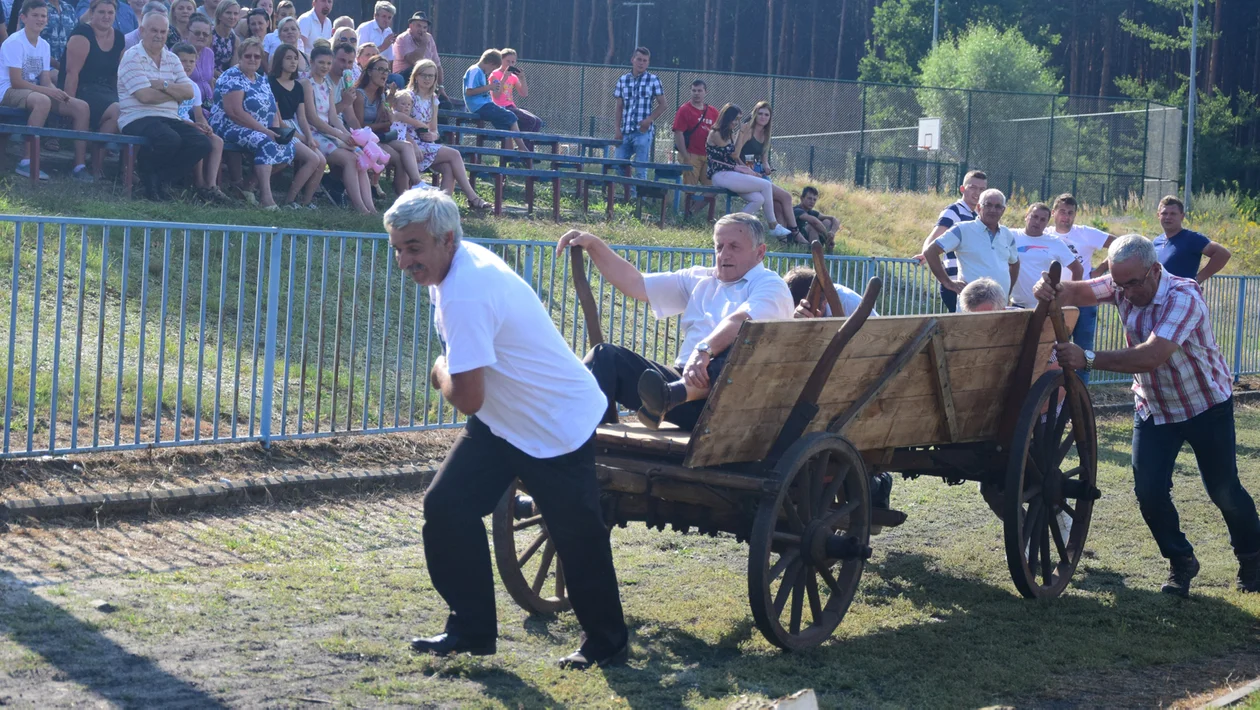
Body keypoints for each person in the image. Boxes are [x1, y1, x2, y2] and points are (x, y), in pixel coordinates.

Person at [390, 189, 630, 670]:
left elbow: (467, 396)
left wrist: (438, 371)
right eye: (397, 248)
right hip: (504, 422)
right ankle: (471, 628)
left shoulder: (466, 290)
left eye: (413, 248)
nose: (404, 261)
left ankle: (607, 643)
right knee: (447, 507)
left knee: (576, 533)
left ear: (446, 239)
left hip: (555, 422)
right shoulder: (454, 265)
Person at [1032, 234, 1260, 598]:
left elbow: (1151, 356)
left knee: (1224, 490)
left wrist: (1087, 357)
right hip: (1155, 406)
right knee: (1149, 493)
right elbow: (1077, 292)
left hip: (1205, 405)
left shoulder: (1183, 297)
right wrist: (1050, 287)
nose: (1125, 292)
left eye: (1132, 284)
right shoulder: (1124, 280)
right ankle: (1181, 561)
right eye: (1119, 284)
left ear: (1155, 270)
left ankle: (1252, 556)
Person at [561, 212, 794, 430]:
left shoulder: (769, 284)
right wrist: (593, 244)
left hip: (731, 401)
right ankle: (585, 441)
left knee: (740, 347)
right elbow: (636, 283)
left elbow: (742, 320)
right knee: (605, 356)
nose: (724, 254)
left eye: (734, 247)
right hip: (681, 382)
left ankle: (671, 394)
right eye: (719, 246)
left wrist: (703, 350)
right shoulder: (699, 279)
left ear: (760, 252)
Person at [212, 36, 321, 209]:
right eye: (248, 56)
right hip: (230, 126)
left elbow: (272, 109)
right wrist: (266, 131)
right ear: (240, 57)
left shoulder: (261, 78)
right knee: (268, 142)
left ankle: (247, 187)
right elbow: (235, 113)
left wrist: (277, 130)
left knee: (288, 145)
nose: (253, 59)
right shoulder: (232, 76)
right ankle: (266, 199)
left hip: (260, 128)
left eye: (257, 56)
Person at [116, 10, 209, 199]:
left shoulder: (172, 58)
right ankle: (151, 181)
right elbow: (145, 97)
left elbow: (189, 92)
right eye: (154, 31)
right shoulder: (131, 57)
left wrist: (164, 85)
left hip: (169, 117)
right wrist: (174, 94)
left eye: (163, 31)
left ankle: (158, 179)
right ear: (142, 31)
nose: (159, 36)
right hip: (137, 117)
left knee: (202, 143)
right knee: (170, 139)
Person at [1, 0, 92, 180]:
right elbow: (16, 81)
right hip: (8, 91)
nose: (40, 19)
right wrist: (47, 91)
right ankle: (27, 162)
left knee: (81, 107)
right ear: (23, 18)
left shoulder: (44, 45)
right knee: (43, 101)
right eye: (35, 15)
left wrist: (56, 91)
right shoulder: (14, 42)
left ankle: (78, 166)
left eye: (43, 16)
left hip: (33, 91)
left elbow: (44, 79)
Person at [400, 58, 489, 209]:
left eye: (431, 75)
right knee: (454, 154)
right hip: (408, 143)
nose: (427, 79)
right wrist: (413, 144)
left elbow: (433, 128)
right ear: (416, 76)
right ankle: (472, 197)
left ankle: (442, 206)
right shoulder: (408, 96)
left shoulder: (434, 98)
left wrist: (433, 135)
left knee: (448, 167)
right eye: (424, 75)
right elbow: (400, 126)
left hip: (426, 144)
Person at [1049, 193, 1117, 387]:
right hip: (1055, 300)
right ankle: (1054, 399)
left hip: (1084, 301)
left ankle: (1079, 402)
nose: (1066, 216)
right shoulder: (1046, 235)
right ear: (1054, 213)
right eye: (1062, 211)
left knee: (1083, 352)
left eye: (1071, 212)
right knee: (1053, 352)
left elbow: (1120, 244)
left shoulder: (1086, 233)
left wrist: (1101, 268)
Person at [302, 42, 373, 213]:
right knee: (350, 160)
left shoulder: (327, 86)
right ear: (311, 62)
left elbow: (334, 117)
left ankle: (370, 207)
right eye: (321, 63)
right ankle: (360, 207)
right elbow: (312, 118)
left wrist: (348, 135)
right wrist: (339, 135)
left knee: (360, 155)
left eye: (327, 63)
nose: (325, 66)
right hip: (312, 132)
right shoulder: (306, 83)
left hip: (329, 131)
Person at [704, 104, 793, 240]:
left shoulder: (730, 134)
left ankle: (731, 227)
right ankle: (773, 225)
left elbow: (736, 154)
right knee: (766, 185)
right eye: (734, 119)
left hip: (732, 175)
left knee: (758, 199)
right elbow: (733, 154)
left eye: (739, 120)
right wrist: (742, 134)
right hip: (720, 175)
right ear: (727, 117)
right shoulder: (715, 133)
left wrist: (740, 136)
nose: (736, 123)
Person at [922, 188, 1019, 303]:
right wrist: (948, 283)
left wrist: (1008, 290)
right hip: (972, 305)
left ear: (1003, 210)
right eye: (988, 205)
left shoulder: (1007, 233)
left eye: (998, 206)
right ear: (979, 207)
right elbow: (930, 251)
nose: (993, 210)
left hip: (999, 304)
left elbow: (1015, 263)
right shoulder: (962, 229)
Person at [59, 0, 121, 178]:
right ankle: (79, 166)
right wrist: (68, 104)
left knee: (121, 110)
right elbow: (72, 74)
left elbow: (117, 74)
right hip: (81, 88)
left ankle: (96, 165)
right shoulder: (82, 34)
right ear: (92, 13)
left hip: (105, 90)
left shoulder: (119, 37)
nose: (106, 16)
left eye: (110, 12)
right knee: (116, 109)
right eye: (101, 12)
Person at [917, 170, 987, 313]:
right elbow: (933, 240)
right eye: (973, 187)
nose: (977, 193)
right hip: (955, 283)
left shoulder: (976, 215)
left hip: (971, 284)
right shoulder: (953, 211)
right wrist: (926, 254)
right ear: (962, 189)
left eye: (982, 189)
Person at [267, 40, 326, 206]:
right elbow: (277, 119)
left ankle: (306, 201)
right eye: (288, 58)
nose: (293, 61)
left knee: (321, 160)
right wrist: (300, 137)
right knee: (312, 159)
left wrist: (308, 137)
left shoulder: (298, 86)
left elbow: (301, 117)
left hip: (296, 126)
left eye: (295, 58)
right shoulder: (271, 83)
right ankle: (289, 200)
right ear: (280, 60)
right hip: (280, 127)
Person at [735, 101, 802, 243]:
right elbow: (735, 155)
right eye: (760, 113)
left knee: (778, 203)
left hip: (759, 173)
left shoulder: (766, 134)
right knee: (786, 197)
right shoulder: (747, 130)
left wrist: (766, 166)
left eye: (766, 114)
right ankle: (796, 233)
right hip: (744, 173)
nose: (763, 117)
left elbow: (764, 159)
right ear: (754, 114)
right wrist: (747, 170)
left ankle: (784, 240)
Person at [354, 54, 421, 194]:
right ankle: (407, 193)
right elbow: (360, 128)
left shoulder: (382, 95)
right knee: (399, 159)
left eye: (386, 71)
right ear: (369, 72)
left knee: (407, 146)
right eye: (380, 69)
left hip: (380, 136)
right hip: (364, 139)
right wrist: (386, 123)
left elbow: (382, 122)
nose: (384, 73)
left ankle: (416, 184)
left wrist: (389, 100)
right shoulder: (360, 95)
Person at [171, 41, 225, 202]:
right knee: (198, 138)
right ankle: (199, 182)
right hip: (175, 123)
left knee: (217, 140)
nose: (187, 65)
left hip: (190, 124)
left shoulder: (193, 87)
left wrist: (205, 125)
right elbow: (170, 113)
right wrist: (195, 126)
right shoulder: (170, 83)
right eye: (183, 61)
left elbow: (199, 115)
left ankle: (211, 185)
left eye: (191, 61)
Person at [1009, 202, 1082, 308]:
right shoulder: (1011, 236)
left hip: (1045, 306)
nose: (1037, 222)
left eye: (1043, 220)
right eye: (1034, 217)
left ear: (1047, 223)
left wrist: (1072, 300)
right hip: (1017, 305)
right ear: (1026, 216)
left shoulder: (1054, 242)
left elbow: (1078, 269)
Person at [1151, 195, 1232, 283]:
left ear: (1182, 216)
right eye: (1164, 213)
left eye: (1173, 214)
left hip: (1181, 294)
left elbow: (1223, 254)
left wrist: (1196, 280)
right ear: (1158, 215)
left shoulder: (1191, 238)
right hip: (1159, 295)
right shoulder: (1156, 242)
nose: (1168, 217)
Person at [612, 46, 664, 181]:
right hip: (625, 130)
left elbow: (663, 104)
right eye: (639, 59)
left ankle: (640, 199)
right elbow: (619, 106)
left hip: (643, 131)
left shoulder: (654, 80)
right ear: (632, 60)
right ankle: (629, 194)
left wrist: (649, 120)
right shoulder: (623, 80)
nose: (641, 63)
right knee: (617, 164)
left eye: (645, 60)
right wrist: (617, 129)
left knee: (640, 168)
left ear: (648, 63)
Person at [462, 49, 528, 152]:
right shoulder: (475, 70)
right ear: (490, 63)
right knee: (511, 116)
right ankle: (522, 148)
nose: (491, 71)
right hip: (479, 106)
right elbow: (469, 91)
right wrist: (490, 87)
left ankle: (508, 156)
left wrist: (491, 87)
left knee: (505, 126)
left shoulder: (481, 72)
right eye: (493, 68)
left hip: (485, 104)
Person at [670, 78, 716, 213]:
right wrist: (685, 156)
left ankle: (693, 211)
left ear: (705, 92)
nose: (696, 93)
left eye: (700, 90)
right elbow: (678, 133)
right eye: (694, 90)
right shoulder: (684, 110)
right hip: (690, 154)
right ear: (690, 91)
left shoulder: (713, 111)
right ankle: (686, 216)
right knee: (690, 188)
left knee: (712, 188)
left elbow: (719, 132)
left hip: (708, 156)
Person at [488, 48, 542, 137]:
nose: (510, 64)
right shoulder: (495, 74)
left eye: (513, 62)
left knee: (538, 122)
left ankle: (527, 147)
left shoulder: (513, 77)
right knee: (530, 120)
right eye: (507, 61)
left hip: (511, 106)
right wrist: (504, 77)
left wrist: (522, 78)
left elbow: (524, 94)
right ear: (501, 60)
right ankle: (522, 146)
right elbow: (496, 96)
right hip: (500, 107)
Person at [784, 266, 874, 319]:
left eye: (807, 310)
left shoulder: (849, 303)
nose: (804, 315)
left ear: (824, 302)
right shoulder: (783, 304)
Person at [390, 11, 437, 88]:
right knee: (420, 70)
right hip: (403, 76)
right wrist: (423, 44)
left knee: (430, 71)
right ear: (411, 26)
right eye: (418, 26)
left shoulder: (429, 38)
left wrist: (441, 86)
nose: (422, 30)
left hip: (422, 75)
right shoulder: (403, 38)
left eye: (424, 27)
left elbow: (437, 65)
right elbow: (414, 61)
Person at [793, 186, 839, 251]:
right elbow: (814, 221)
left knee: (827, 222)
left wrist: (832, 232)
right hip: (796, 241)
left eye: (814, 199)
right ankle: (816, 253)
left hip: (810, 239)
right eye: (809, 198)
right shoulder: (796, 210)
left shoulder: (811, 212)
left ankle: (826, 250)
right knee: (811, 227)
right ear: (802, 198)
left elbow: (834, 219)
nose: (812, 201)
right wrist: (827, 237)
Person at [38, 0, 75, 77]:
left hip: (68, 65)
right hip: (41, 65)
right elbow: (26, 40)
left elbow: (76, 36)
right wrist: (59, 66)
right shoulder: (35, 7)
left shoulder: (69, 8)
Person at [184, 12, 213, 103]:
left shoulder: (209, 53)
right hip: (188, 104)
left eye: (205, 34)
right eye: (197, 33)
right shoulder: (178, 51)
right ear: (188, 32)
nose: (201, 36)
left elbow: (210, 81)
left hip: (207, 103)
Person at [209, 0, 237, 72]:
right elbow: (205, 61)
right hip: (208, 73)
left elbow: (233, 68)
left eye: (235, 13)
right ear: (219, 15)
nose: (232, 17)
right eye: (228, 13)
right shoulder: (209, 34)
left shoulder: (235, 40)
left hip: (225, 77)